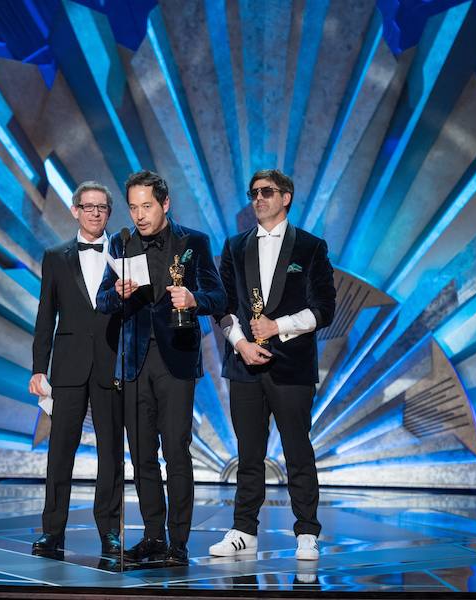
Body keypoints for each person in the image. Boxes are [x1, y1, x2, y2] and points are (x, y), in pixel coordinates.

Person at [97, 170, 226, 566]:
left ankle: (178, 543)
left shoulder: (193, 242)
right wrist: (116, 296)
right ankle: (152, 536)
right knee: (142, 457)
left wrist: (193, 299)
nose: (139, 215)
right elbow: (102, 301)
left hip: (176, 361)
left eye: (147, 206)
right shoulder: (120, 244)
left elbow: (219, 297)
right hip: (134, 363)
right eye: (134, 207)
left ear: (165, 204)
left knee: (176, 452)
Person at [210, 169, 336, 561]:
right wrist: (241, 343)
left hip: (291, 366)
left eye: (267, 192)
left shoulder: (311, 248)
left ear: (287, 197)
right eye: (253, 193)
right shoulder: (234, 246)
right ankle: (244, 530)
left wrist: (277, 326)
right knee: (248, 452)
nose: (258, 199)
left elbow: (324, 309)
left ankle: (307, 531)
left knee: (298, 450)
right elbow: (223, 307)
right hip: (245, 363)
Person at [29, 181, 123, 559]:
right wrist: (39, 368)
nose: (95, 213)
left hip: (110, 363)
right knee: (60, 452)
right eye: (88, 207)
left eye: (101, 207)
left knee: (112, 453)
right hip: (67, 368)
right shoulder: (55, 256)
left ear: (108, 213)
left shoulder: (123, 253)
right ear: (75, 210)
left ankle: (110, 533)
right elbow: (44, 315)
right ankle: (53, 531)